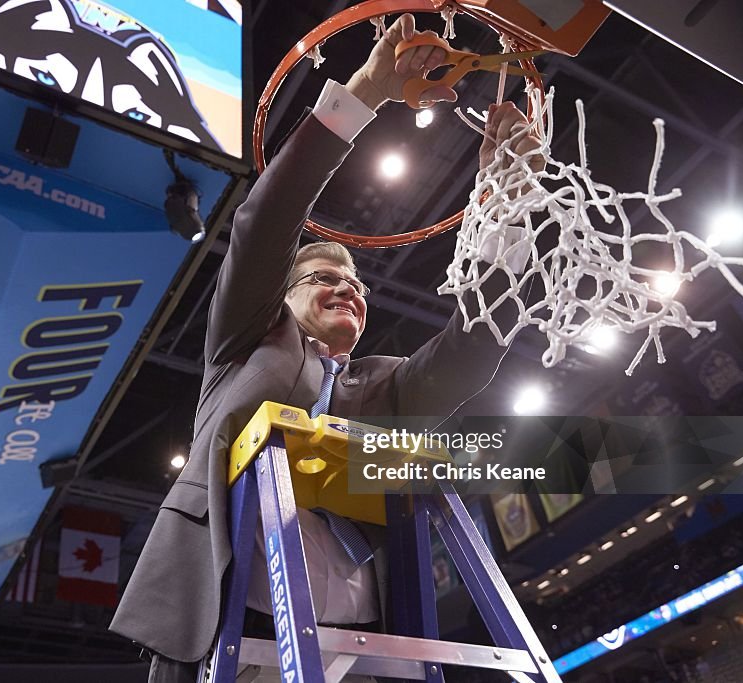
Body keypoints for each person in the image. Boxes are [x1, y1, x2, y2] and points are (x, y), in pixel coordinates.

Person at [110, 13, 540, 681]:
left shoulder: (384, 385)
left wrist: (507, 205)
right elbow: (265, 223)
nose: (349, 288)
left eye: (359, 283)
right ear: (283, 295)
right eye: (325, 276)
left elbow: (475, 347)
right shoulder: (246, 341)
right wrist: (364, 93)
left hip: (362, 649)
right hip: (232, 631)